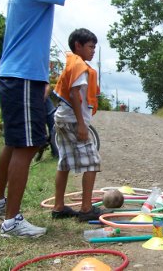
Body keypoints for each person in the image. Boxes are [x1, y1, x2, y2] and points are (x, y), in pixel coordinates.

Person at [0, 0, 163, 238]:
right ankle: (12, 220)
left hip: (17, 76)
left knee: (14, 143)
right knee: (27, 145)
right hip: (23, 77)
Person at [51, 28, 103, 221]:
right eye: (90, 46)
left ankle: (58, 207)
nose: (93, 50)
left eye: (95, 47)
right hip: (72, 121)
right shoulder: (79, 66)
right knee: (93, 162)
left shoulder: (74, 64)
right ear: (78, 46)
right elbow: (74, 94)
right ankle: (86, 209)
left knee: (64, 162)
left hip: (62, 119)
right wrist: (82, 125)